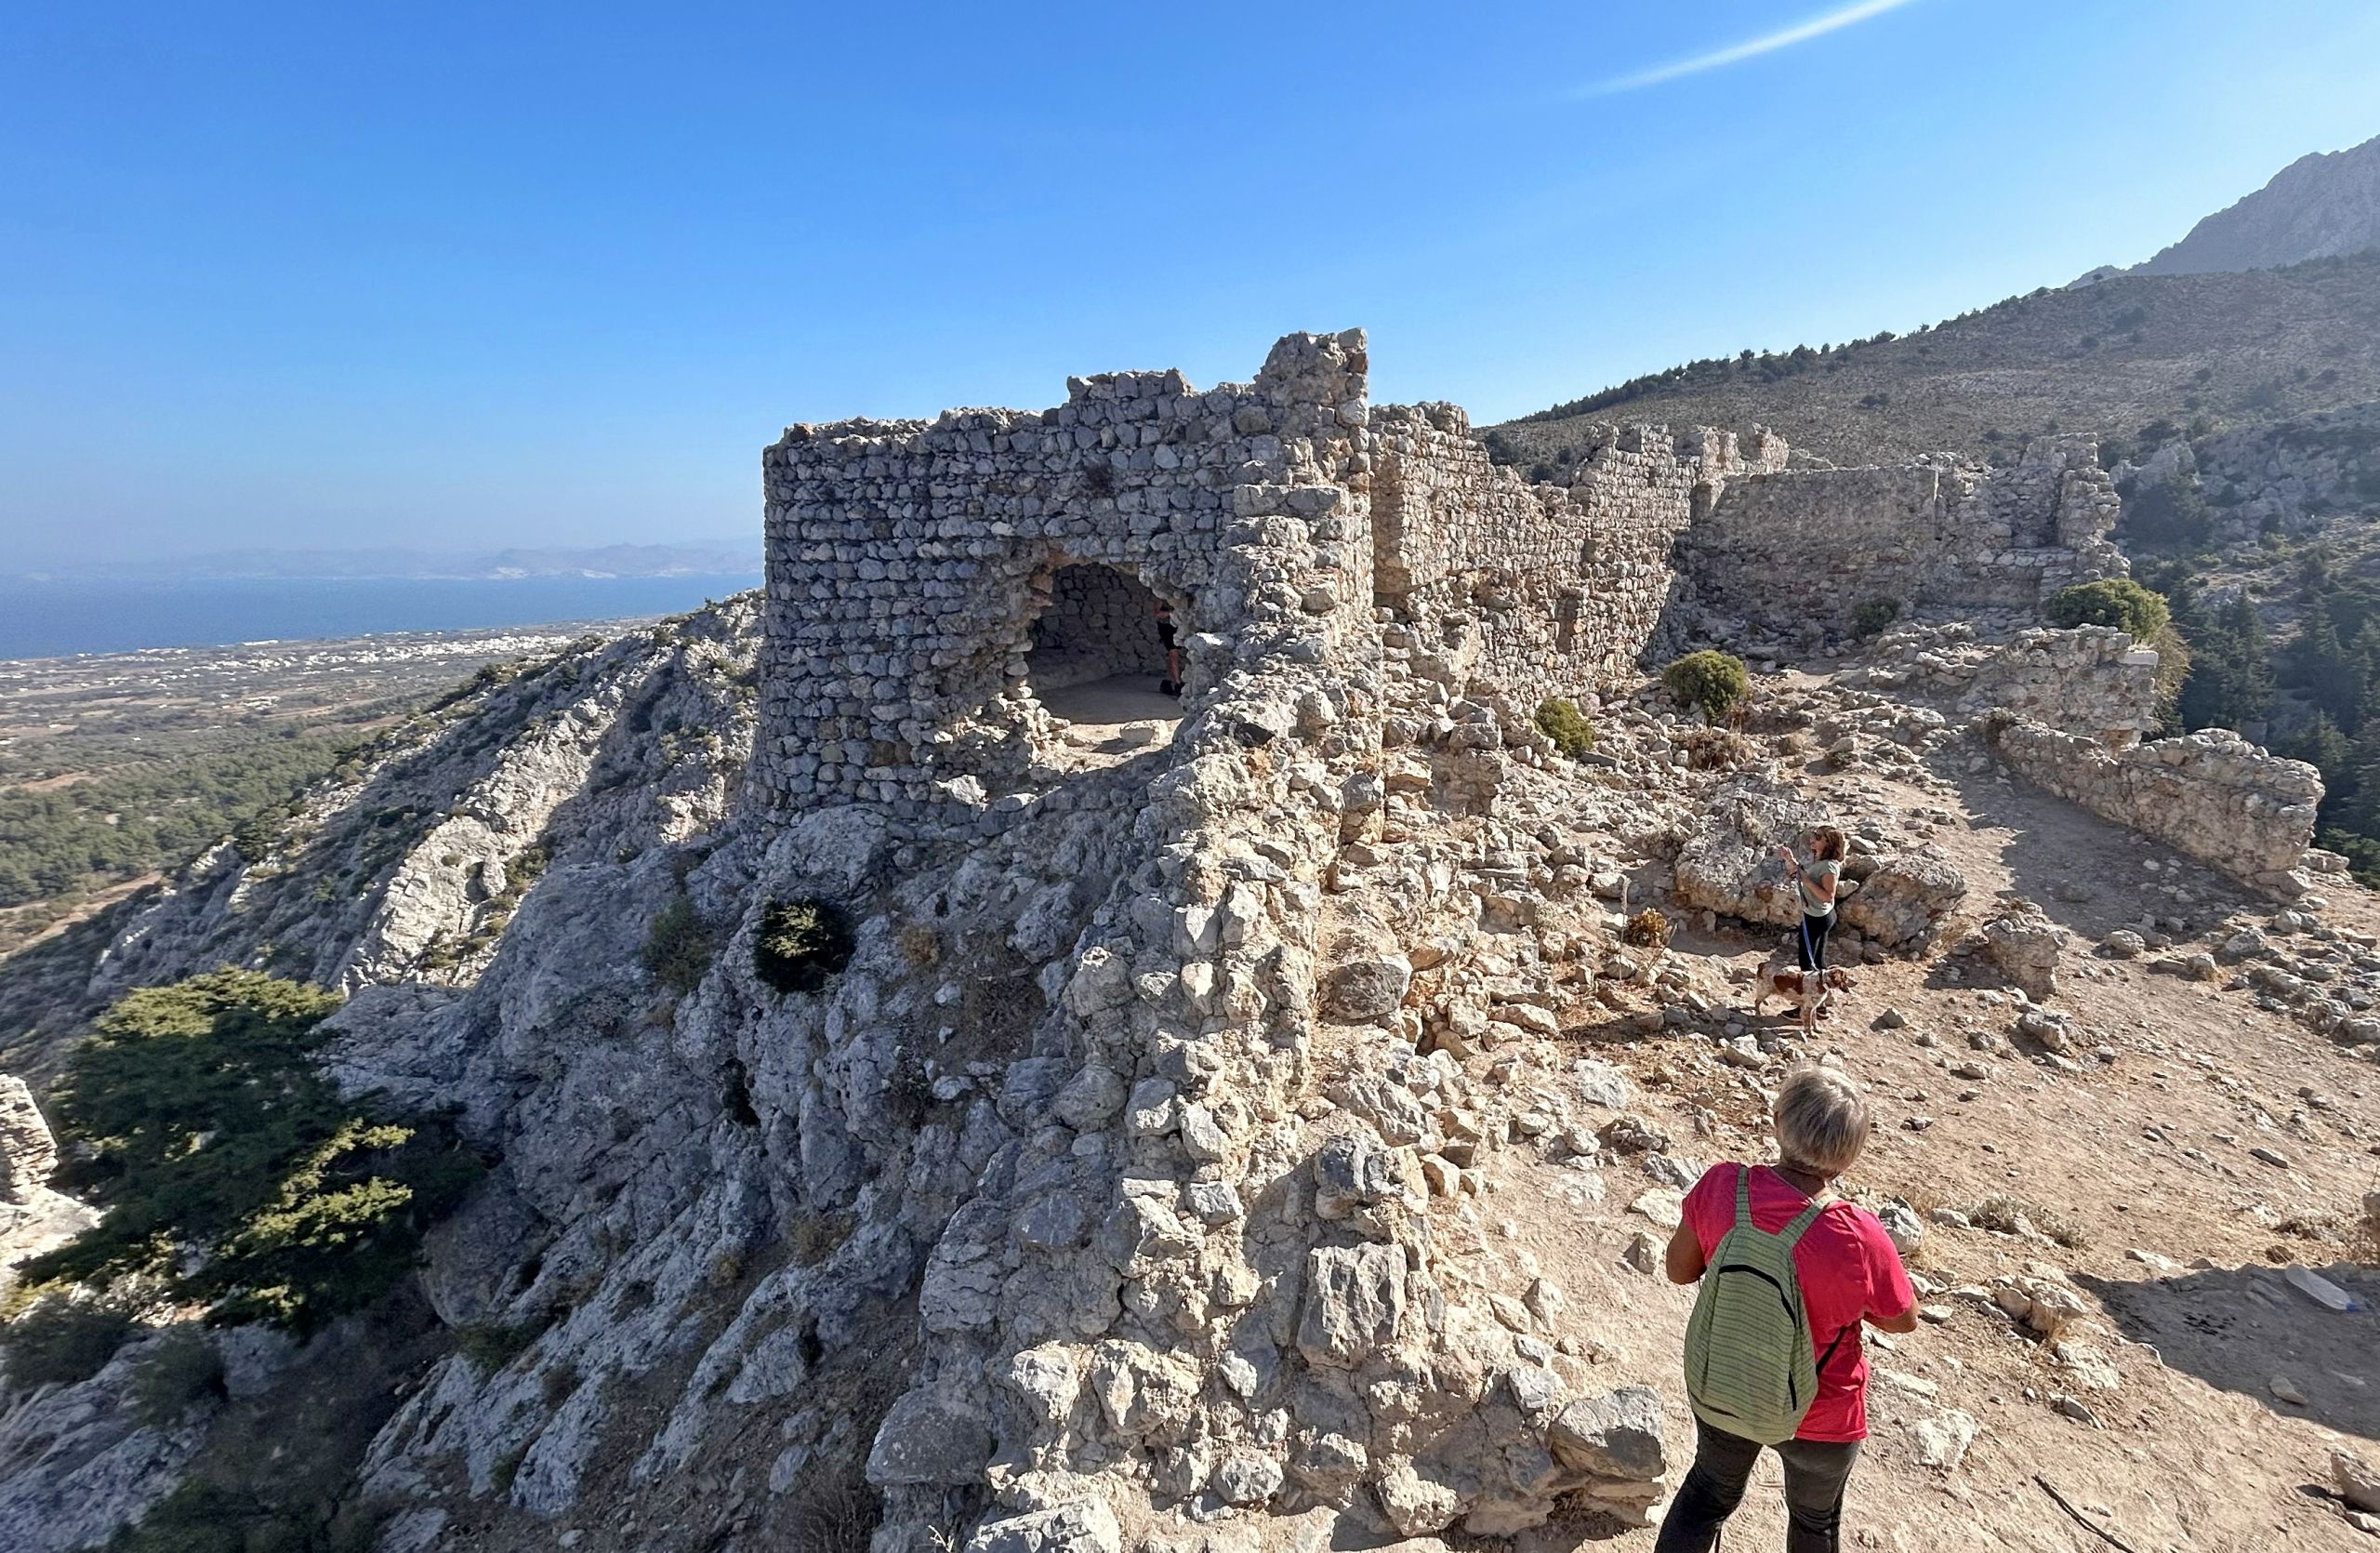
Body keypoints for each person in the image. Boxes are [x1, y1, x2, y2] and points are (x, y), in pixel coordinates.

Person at [1656, 1067, 1917, 1553]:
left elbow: (1678, 1270)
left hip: (1726, 1386)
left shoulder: (1720, 1186)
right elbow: (1902, 1319)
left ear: (1777, 1122)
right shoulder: (1858, 1235)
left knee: (1707, 1495)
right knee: (1814, 1523)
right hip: (1822, 1411)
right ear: (1848, 1158)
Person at [1778, 826, 1845, 976]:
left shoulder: (1828, 866)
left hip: (1817, 918)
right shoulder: (1820, 859)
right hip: (1818, 915)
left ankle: (1811, 994)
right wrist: (1790, 860)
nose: (1813, 839)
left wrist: (1806, 881)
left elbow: (1828, 896)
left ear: (1829, 843)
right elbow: (1803, 875)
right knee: (1818, 962)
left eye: (1819, 837)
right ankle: (1822, 988)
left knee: (1807, 963)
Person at [1154, 598, 1182, 696]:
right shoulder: (1162, 597)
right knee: (1173, 654)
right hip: (1166, 626)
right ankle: (1177, 684)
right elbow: (1158, 613)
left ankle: (1170, 681)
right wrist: (1173, 613)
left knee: (1172, 656)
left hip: (1176, 627)